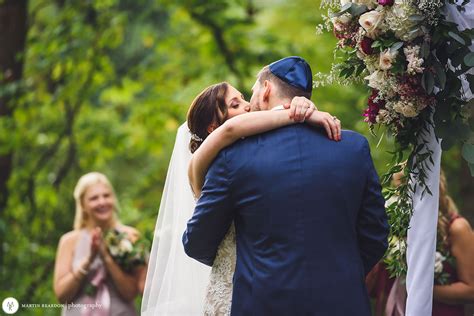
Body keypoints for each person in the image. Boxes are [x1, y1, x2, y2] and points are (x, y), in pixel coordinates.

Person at [183, 56, 389, 315]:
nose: (249, 102)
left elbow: (197, 242)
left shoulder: (232, 158)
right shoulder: (354, 147)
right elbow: (376, 234)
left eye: (253, 91)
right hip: (343, 303)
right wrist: (341, 274)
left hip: (263, 304)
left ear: (266, 89)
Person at [141, 57, 342, 316]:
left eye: (243, 99)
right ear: (213, 127)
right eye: (235, 104)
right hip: (238, 283)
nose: (248, 107)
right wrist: (298, 113)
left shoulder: (252, 152)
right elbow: (231, 130)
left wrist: (300, 106)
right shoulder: (200, 163)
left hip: (272, 279)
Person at [371, 169, 474, 316]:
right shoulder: (393, 230)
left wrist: (419, 288)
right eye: (398, 190)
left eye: (410, 189)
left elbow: (471, 290)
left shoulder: (456, 228)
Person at [53, 172, 147, 316]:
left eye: (106, 195)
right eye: (94, 198)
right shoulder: (69, 241)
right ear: (82, 204)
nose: (102, 202)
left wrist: (106, 258)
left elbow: (131, 293)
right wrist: (89, 259)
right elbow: (61, 296)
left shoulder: (131, 236)